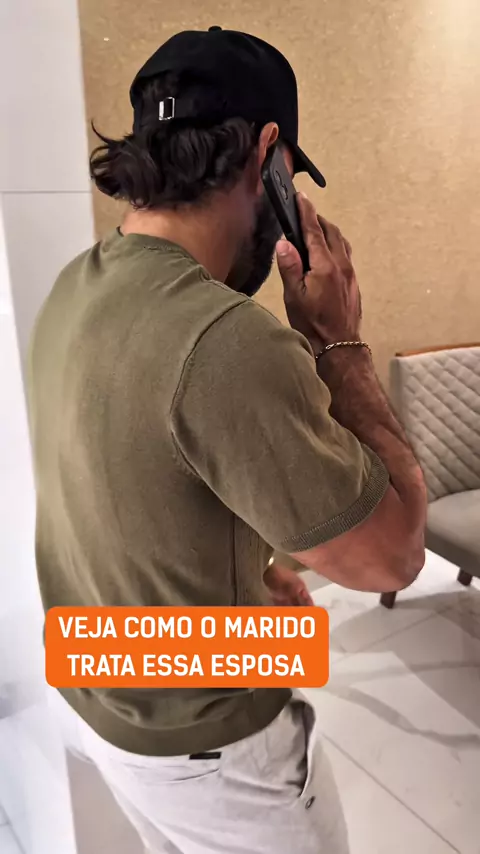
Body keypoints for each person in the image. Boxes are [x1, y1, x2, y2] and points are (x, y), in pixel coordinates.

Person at [27, 27, 426, 854]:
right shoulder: (226, 340)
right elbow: (394, 558)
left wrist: (246, 585)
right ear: (267, 155)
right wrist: (339, 342)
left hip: (102, 701)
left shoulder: (77, 286)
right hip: (214, 759)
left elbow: (127, 497)